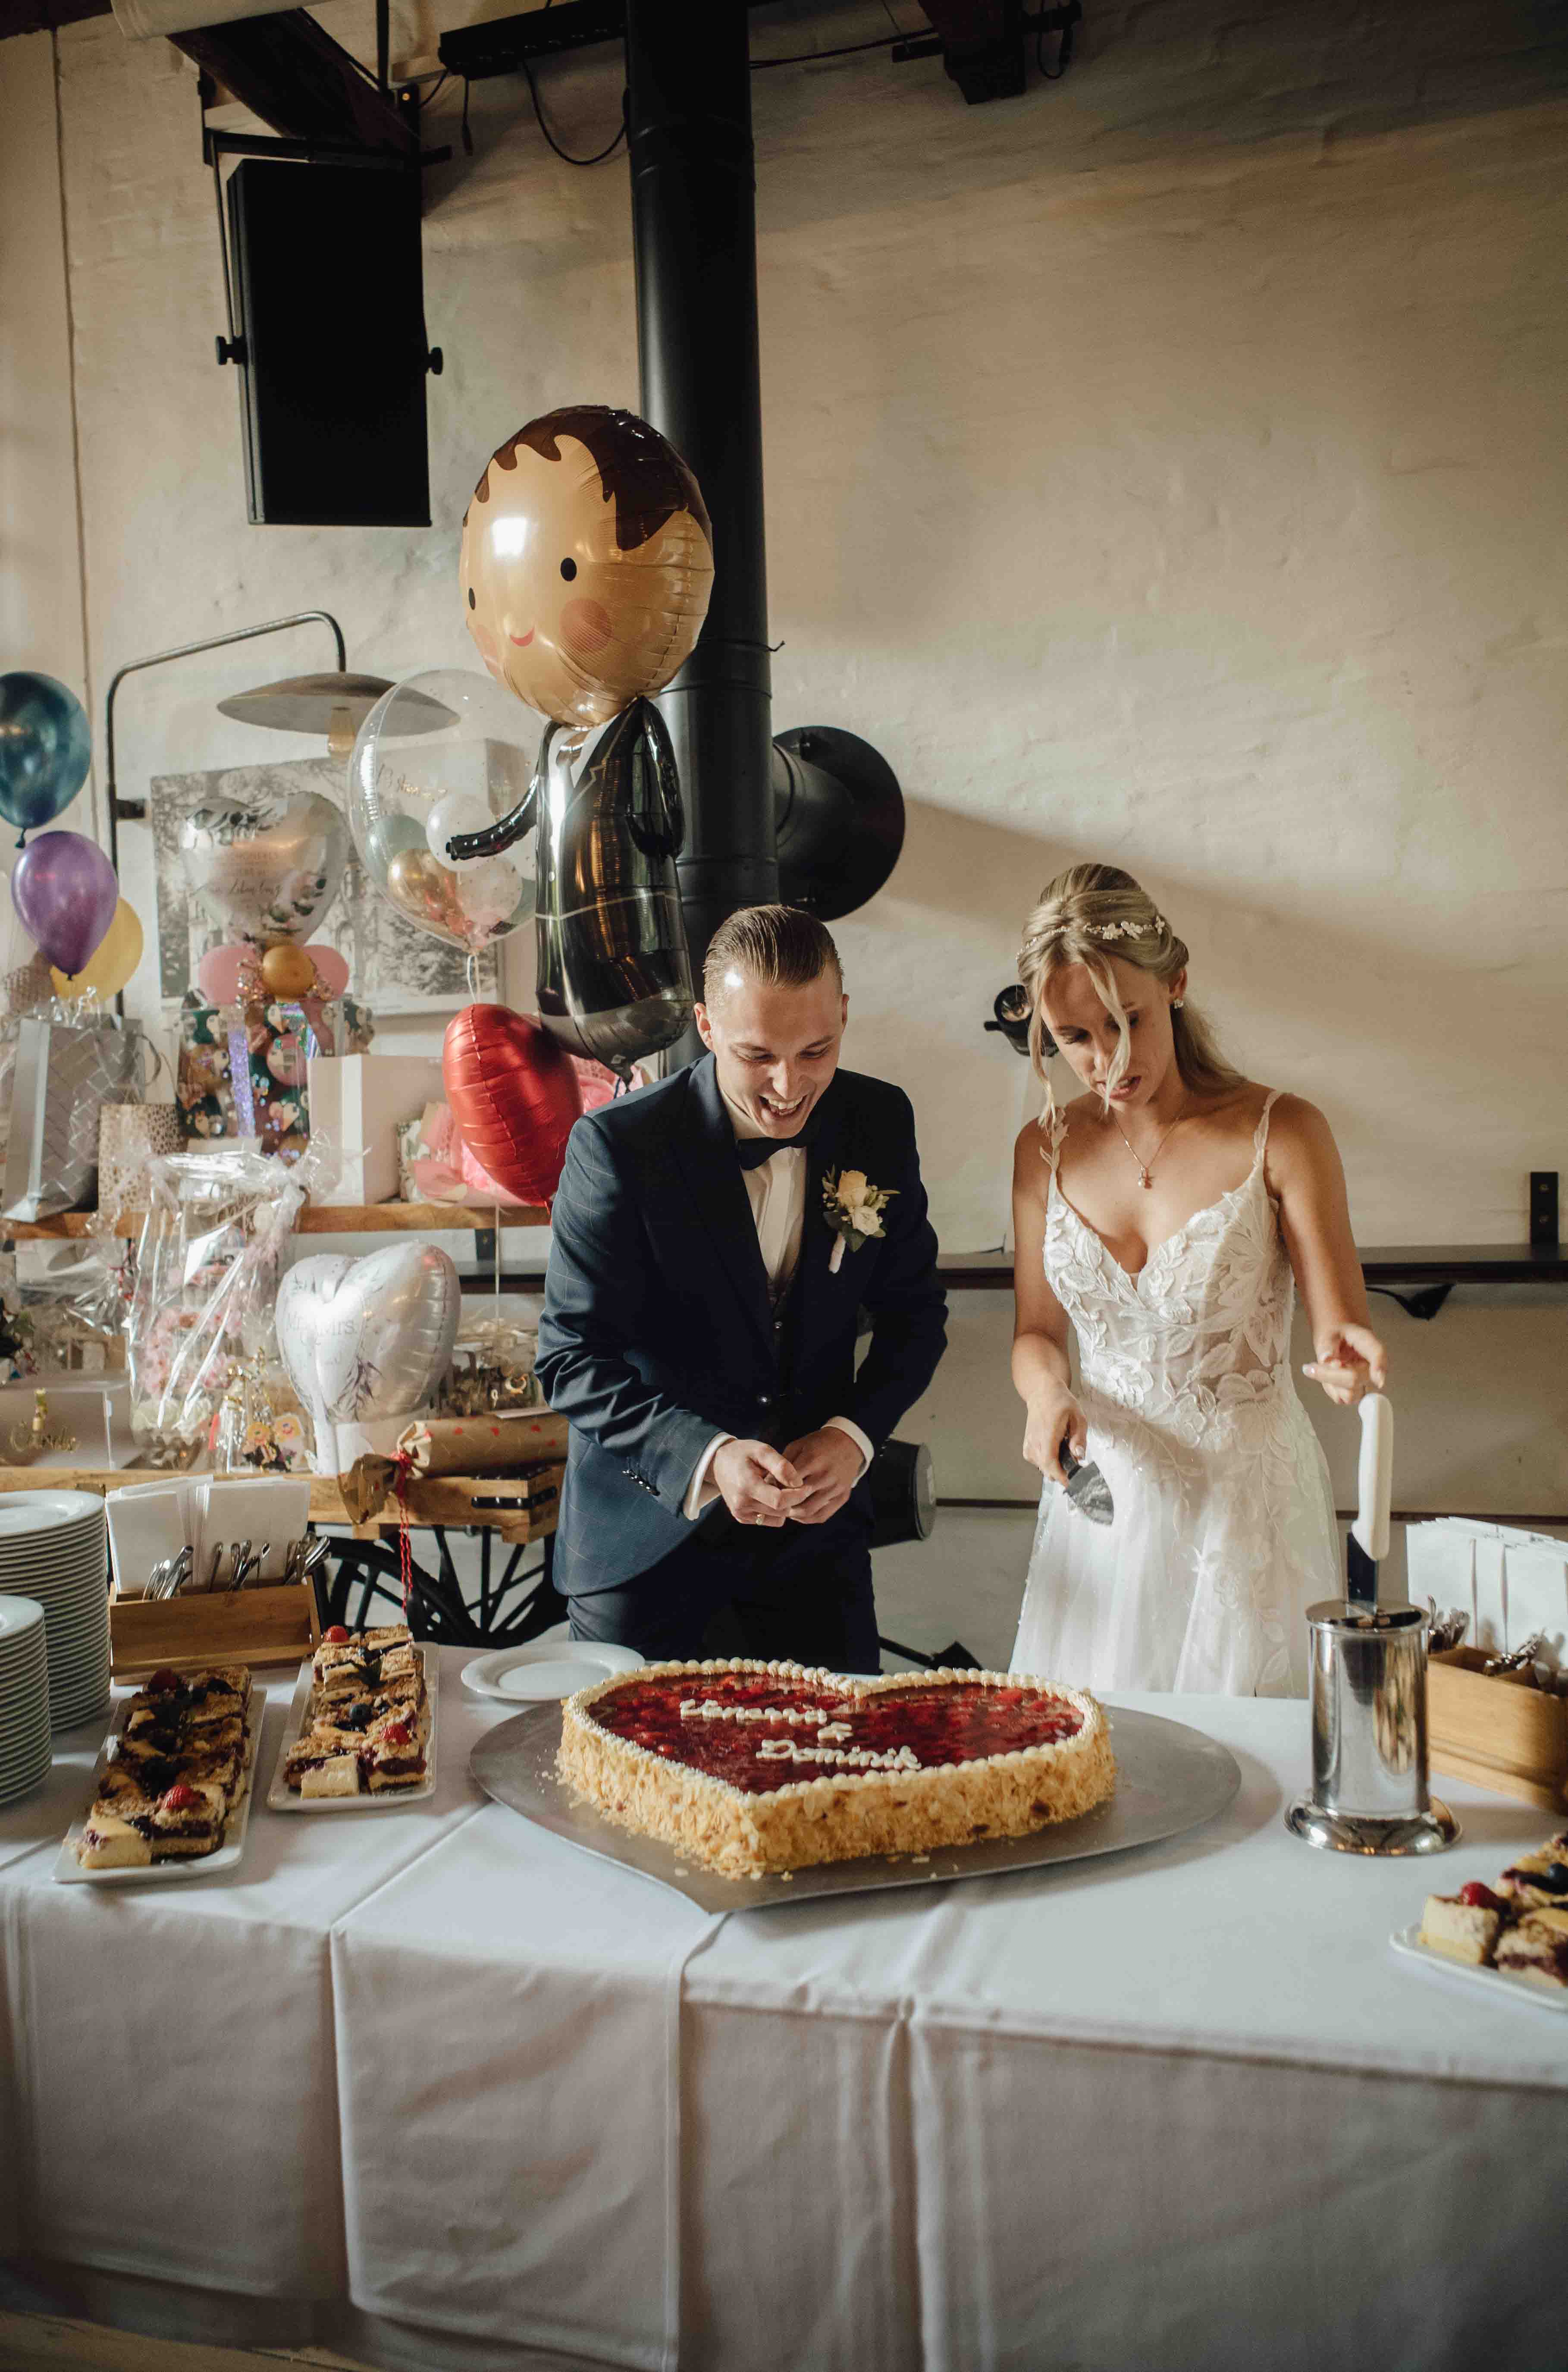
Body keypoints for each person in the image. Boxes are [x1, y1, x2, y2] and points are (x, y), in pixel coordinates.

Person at [535, 904, 947, 1670]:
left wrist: (855, 1438)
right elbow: (570, 1360)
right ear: (706, 1025)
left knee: (839, 1778)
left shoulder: (878, 1122)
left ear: (845, 1016)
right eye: (758, 1055)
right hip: (647, 1546)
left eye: (816, 1049)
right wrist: (708, 1457)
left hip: (815, 1557)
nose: (789, 1086)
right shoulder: (619, 1149)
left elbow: (916, 1316)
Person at [1007, 864, 1386, 1695]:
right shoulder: (1043, 1150)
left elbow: (1337, 1324)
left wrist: (1346, 1354)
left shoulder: (1282, 1130)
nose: (1106, 1060)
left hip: (1245, 1510)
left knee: (1252, 1767)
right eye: (1074, 1038)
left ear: (1175, 982)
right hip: (1105, 1510)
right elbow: (1037, 1334)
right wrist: (1046, 1398)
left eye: (1124, 1021)